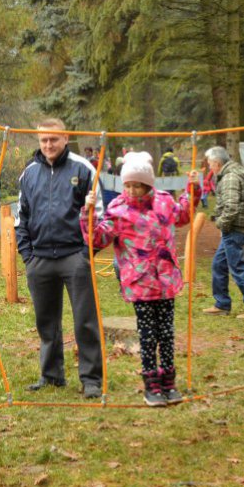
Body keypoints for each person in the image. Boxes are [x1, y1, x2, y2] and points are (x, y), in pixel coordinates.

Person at [81, 152, 199, 406]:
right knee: (148, 334)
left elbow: (183, 216)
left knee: (166, 333)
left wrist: (192, 189)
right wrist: (87, 214)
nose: (132, 190)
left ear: (148, 184)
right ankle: (151, 386)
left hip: (165, 280)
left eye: (137, 185)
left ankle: (169, 382)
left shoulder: (165, 203)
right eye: (128, 185)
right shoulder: (118, 210)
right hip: (140, 282)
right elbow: (97, 239)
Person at [15, 118, 104, 398]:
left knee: (84, 320)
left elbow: (98, 214)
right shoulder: (29, 174)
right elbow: (22, 216)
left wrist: (86, 253)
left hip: (74, 256)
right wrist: (27, 254)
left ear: (65, 137)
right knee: (46, 321)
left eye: (54, 139)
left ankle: (91, 379)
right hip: (39, 258)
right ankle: (51, 375)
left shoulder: (83, 168)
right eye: (43, 140)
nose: (49, 145)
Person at [201, 146, 244, 320]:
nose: (209, 167)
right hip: (237, 227)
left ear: (217, 162)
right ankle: (222, 304)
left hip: (235, 228)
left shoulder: (229, 177)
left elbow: (231, 207)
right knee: (218, 264)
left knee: (237, 267)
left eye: (210, 163)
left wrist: (221, 223)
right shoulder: (233, 173)